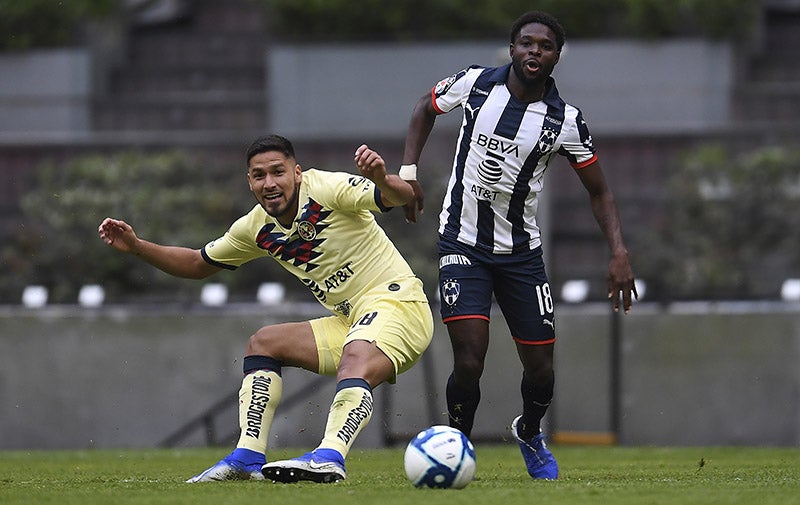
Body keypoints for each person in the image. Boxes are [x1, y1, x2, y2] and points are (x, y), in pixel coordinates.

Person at [98, 135, 433, 483]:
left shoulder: (328, 188)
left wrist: (380, 177)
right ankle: (246, 458)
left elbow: (402, 195)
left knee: (355, 355)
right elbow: (198, 263)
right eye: (259, 175)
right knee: (264, 343)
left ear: (297, 173)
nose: (270, 183)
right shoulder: (255, 227)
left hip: (400, 304)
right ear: (250, 182)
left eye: (278, 172)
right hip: (351, 321)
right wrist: (137, 247)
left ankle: (330, 456)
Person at [399, 11, 637, 480]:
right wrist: (408, 172)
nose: (534, 51)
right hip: (462, 242)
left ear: (555, 57)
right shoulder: (474, 84)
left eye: (544, 46)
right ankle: (457, 445)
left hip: (521, 254)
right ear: (512, 48)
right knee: (469, 358)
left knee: (542, 368)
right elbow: (425, 108)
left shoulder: (565, 121)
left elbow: (599, 191)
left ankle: (529, 430)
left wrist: (619, 252)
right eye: (526, 43)